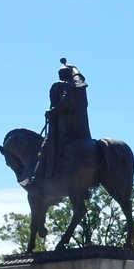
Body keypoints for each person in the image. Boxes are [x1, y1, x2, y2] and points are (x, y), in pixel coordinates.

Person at [22, 58, 90, 188]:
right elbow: (79, 76)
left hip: (62, 128)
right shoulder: (78, 85)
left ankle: (36, 180)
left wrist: (52, 111)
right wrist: (72, 66)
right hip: (78, 128)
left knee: (44, 150)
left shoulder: (60, 86)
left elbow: (66, 100)